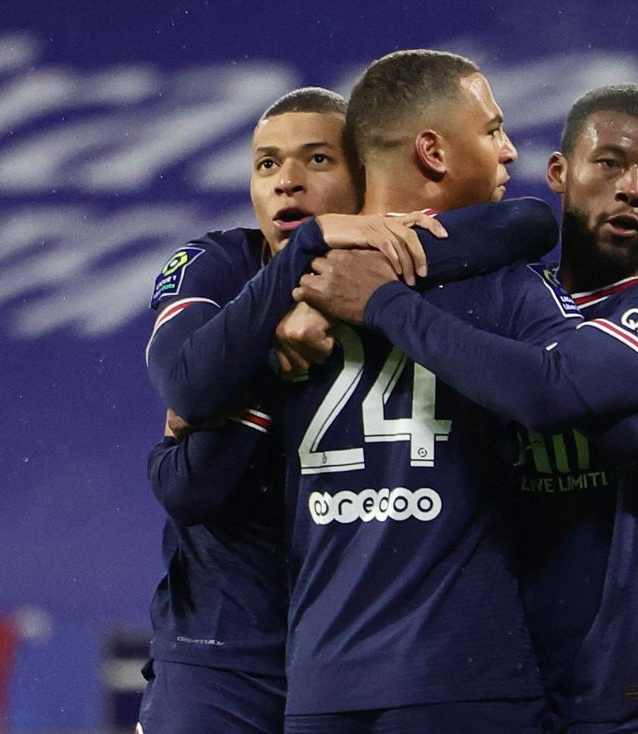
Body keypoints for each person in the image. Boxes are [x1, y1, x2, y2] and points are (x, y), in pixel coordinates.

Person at [295, 84, 638, 733]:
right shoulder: (508, 301)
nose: (633, 188)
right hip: (517, 686)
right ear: (560, 173)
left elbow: (549, 392)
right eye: (610, 163)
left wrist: (387, 305)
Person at [139, 83, 563, 734]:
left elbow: (529, 220)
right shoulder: (215, 267)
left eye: (316, 160)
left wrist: (354, 261)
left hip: (344, 651)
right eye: (266, 164)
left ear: (367, 174)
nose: (285, 182)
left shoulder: (398, 275)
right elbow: (185, 388)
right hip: (223, 657)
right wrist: (297, 283)